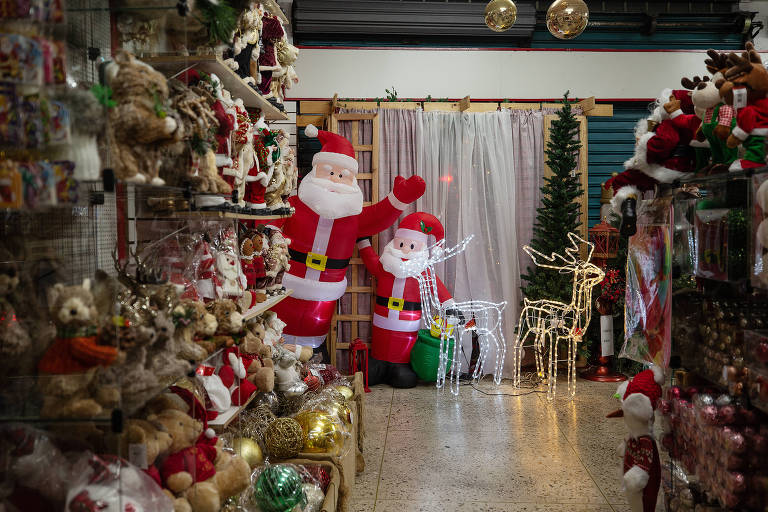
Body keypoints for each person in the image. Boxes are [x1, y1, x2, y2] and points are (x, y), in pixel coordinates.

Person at [270, 124, 426, 355]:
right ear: (314, 172)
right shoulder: (294, 206)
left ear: (351, 180)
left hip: (325, 292)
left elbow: (377, 218)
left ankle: (311, 363)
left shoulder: (352, 218)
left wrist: (399, 198)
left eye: (342, 175)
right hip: (287, 282)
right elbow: (272, 218)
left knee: (313, 340)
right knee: (276, 330)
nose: (334, 180)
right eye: (329, 172)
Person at [357, 213, 454, 387]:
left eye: (411, 246)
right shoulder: (385, 266)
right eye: (401, 244)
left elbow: (439, 290)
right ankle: (379, 363)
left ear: (422, 249)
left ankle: (399, 364)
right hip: (382, 320)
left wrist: (450, 307)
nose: (405, 250)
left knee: (404, 378)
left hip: (407, 323)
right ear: (393, 244)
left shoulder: (423, 272)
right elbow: (371, 261)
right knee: (369, 374)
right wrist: (362, 241)